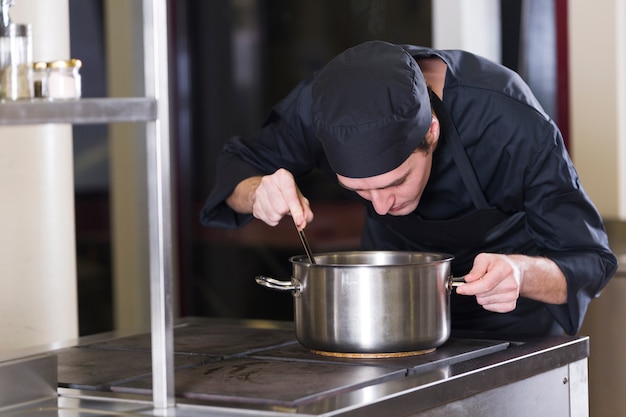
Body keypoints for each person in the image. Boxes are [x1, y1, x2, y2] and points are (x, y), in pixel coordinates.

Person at [200, 40, 617, 337]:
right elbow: (239, 167)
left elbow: (589, 261)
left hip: (508, 331)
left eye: (395, 182)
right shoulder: (325, 105)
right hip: (386, 327)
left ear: (431, 133)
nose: (380, 208)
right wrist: (257, 192)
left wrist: (521, 273)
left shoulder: (510, 122)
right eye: (360, 191)